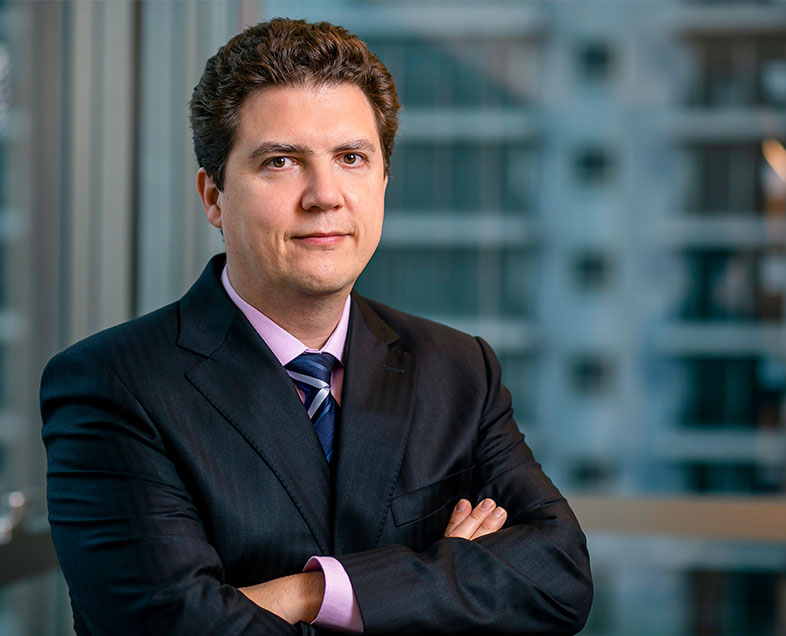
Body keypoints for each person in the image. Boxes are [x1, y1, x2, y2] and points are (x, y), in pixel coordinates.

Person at [40, 18, 592, 636]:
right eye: (281, 161)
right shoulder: (112, 385)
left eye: (351, 158)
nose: (324, 195)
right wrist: (443, 574)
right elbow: (173, 626)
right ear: (213, 197)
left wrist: (309, 594)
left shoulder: (459, 368)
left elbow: (558, 577)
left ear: (383, 182)